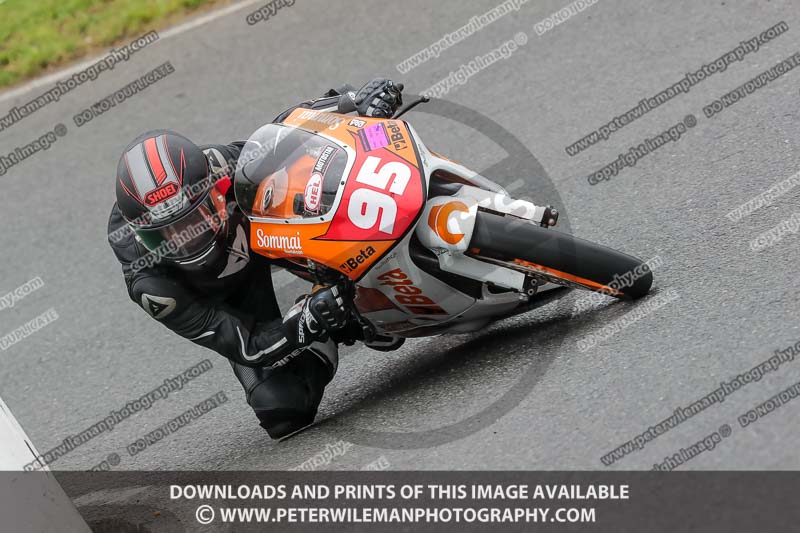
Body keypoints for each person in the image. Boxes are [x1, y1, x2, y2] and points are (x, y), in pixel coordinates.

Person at [107, 79, 404, 439]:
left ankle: (370, 257)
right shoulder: (153, 287)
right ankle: (340, 320)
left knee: (299, 177)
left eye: (195, 218)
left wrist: (354, 106)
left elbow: (286, 136)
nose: (187, 239)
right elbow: (248, 348)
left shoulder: (218, 166)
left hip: (266, 236)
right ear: (143, 236)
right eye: (165, 235)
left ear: (214, 192)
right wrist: (306, 321)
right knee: (281, 408)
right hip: (229, 294)